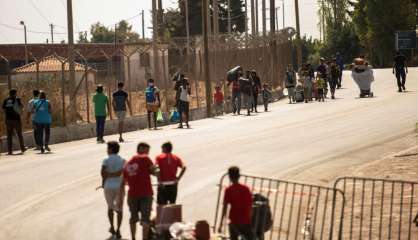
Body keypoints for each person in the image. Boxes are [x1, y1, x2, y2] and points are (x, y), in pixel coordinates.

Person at [120, 142, 159, 240]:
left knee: (133, 218)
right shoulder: (145, 158)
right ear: (141, 149)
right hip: (145, 194)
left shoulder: (127, 164)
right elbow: (155, 171)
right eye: (147, 150)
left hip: (132, 195)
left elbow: (123, 182)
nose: (148, 153)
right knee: (146, 219)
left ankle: (133, 238)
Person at [218, 166, 253, 240]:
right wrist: (250, 220)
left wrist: (221, 224)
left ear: (229, 177)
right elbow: (250, 206)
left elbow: (225, 208)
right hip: (245, 220)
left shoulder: (228, 190)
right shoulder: (245, 189)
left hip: (234, 221)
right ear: (239, 176)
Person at [101, 141, 126, 239]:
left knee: (110, 208)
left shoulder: (105, 159)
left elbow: (103, 173)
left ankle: (112, 227)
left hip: (108, 186)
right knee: (119, 209)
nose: (107, 150)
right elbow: (124, 174)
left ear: (110, 149)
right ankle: (119, 229)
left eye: (107, 148)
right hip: (119, 187)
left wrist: (105, 181)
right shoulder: (123, 160)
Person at [2, 89, 25, 155]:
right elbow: (21, 107)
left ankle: (10, 151)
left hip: (8, 120)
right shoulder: (17, 99)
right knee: (19, 134)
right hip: (16, 119)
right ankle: (22, 148)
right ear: (15, 93)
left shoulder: (5, 100)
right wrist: (21, 111)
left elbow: (3, 109)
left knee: (9, 136)